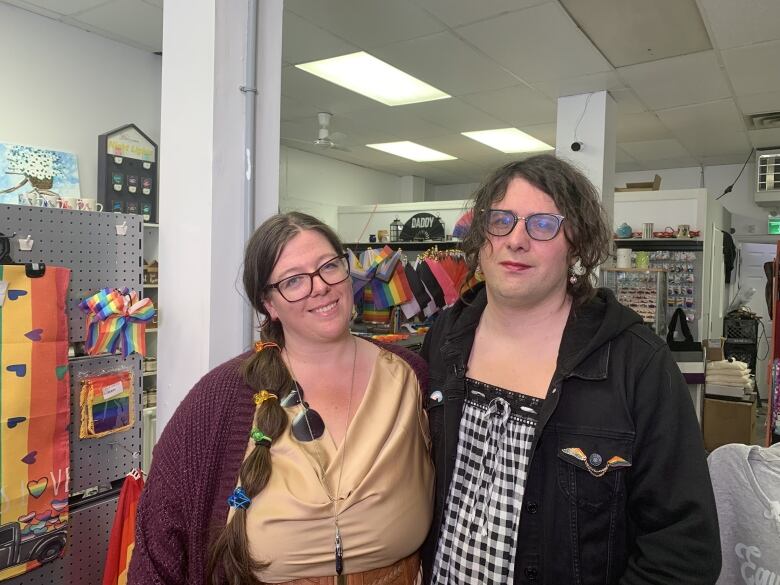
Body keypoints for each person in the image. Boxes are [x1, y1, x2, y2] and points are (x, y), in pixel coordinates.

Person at [419, 154, 721, 584]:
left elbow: (683, 547)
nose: (516, 240)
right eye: (500, 220)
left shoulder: (635, 362)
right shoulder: (447, 336)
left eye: (543, 224)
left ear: (576, 242)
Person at [129, 212, 433, 585]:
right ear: (268, 304)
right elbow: (159, 535)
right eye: (293, 281)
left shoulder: (410, 377)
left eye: (328, 267)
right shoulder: (220, 397)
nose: (319, 286)